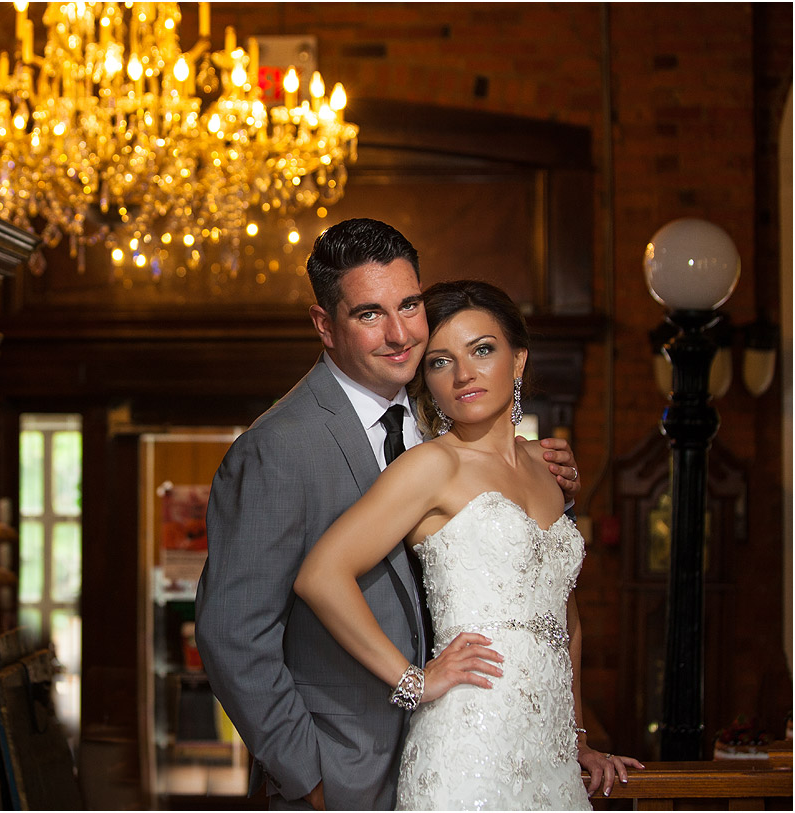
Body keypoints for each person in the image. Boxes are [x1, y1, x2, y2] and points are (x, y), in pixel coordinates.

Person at [194, 219, 582, 810]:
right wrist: (310, 779)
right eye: (370, 314)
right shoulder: (278, 448)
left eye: (410, 305)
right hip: (341, 771)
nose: (401, 334)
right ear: (325, 325)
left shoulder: (442, 419)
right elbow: (232, 637)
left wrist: (542, 473)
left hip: (461, 748)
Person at [294, 279, 643, 809]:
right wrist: (412, 680)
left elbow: (565, 621)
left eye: (482, 349)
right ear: (425, 380)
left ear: (518, 360)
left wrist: (578, 741)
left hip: (550, 757)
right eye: (439, 361)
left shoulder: (547, 468)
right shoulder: (433, 466)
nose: (463, 374)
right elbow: (321, 575)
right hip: (467, 746)